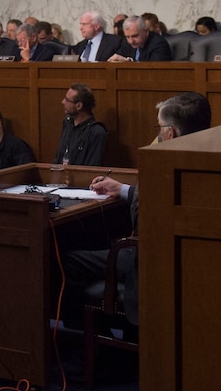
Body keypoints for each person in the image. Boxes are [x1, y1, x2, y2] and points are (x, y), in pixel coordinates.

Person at [66, 92, 212, 326]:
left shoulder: (166, 165)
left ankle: (90, 344)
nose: (158, 133)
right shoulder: (205, 157)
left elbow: (144, 221)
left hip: (151, 263)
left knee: (68, 260)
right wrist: (123, 189)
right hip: (180, 260)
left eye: (160, 127)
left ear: (170, 133)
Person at [54, 82, 107, 166]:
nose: (63, 102)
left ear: (79, 106)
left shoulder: (97, 132)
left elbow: (92, 167)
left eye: (67, 100)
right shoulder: (67, 123)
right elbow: (59, 157)